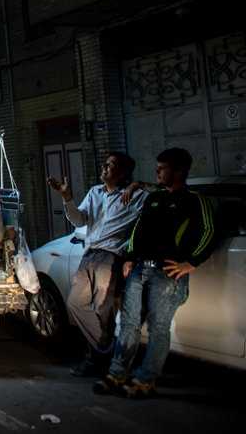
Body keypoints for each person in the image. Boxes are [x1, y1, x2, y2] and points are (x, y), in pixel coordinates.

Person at [94, 147, 219, 398]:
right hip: (140, 269)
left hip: (167, 275)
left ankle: (145, 381)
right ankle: (117, 374)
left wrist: (190, 263)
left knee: (158, 328)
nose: (157, 172)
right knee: (128, 324)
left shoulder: (195, 199)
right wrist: (130, 259)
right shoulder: (155, 198)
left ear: (178, 172)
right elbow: (137, 230)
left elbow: (209, 231)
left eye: (162, 168)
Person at [46, 152, 146, 377]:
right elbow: (80, 220)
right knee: (75, 303)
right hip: (89, 254)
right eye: (105, 163)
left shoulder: (134, 195)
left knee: (103, 313)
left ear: (122, 173)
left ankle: (95, 361)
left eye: (110, 165)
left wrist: (138, 184)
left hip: (110, 257)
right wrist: (66, 198)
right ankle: (109, 353)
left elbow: (161, 193)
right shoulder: (94, 193)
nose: (104, 167)